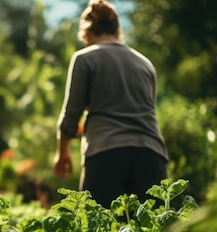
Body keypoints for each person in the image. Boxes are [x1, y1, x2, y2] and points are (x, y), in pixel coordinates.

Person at [53, 0, 169, 208]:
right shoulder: (145, 64)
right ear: (118, 30)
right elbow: (141, 111)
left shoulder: (84, 58)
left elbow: (71, 115)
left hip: (106, 154)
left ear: (86, 32)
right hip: (151, 155)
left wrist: (62, 154)